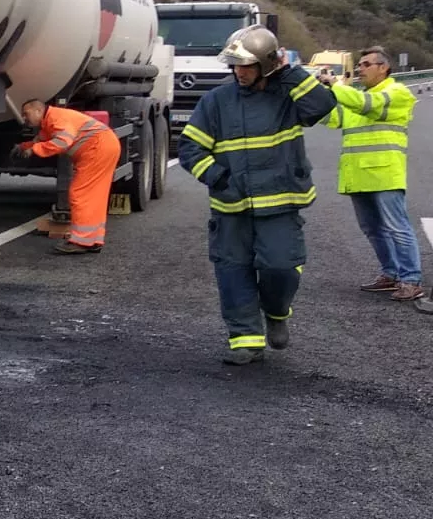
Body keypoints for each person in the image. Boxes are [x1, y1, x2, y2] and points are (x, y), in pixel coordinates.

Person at [178, 26, 337, 364]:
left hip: (280, 203)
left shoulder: (288, 96)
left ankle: (277, 313)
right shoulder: (216, 101)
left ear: (266, 64)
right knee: (232, 271)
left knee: (281, 267)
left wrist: (290, 71)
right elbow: (190, 148)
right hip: (231, 205)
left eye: (247, 65)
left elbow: (322, 106)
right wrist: (218, 177)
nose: (239, 72)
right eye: (235, 65)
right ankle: (246, 340)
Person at [317, 46, 422, 301]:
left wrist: (337, 85)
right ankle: (390, 274)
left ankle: (411, 280)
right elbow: (331, 118)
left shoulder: (395, 92)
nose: (360, 69)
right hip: (358, 174)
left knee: (397, 228)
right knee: (373, 229)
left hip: (384, 174)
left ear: (383, 67)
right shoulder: (356, 97)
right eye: (360, 65)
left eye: (366, 65)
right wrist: (320, 93)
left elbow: (367, 105)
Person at [13, 101, 122, 254]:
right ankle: (93, 239)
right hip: (103, 146)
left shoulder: (56, 118)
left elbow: (62, 142)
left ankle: (81, 241)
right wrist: (24, 146)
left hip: (97, 149)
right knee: (94, 196)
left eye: (26, 113)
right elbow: (41, 139)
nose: (24, 118)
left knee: (80, 194)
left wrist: (34, 150)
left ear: (38, 110)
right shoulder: (50, 120)